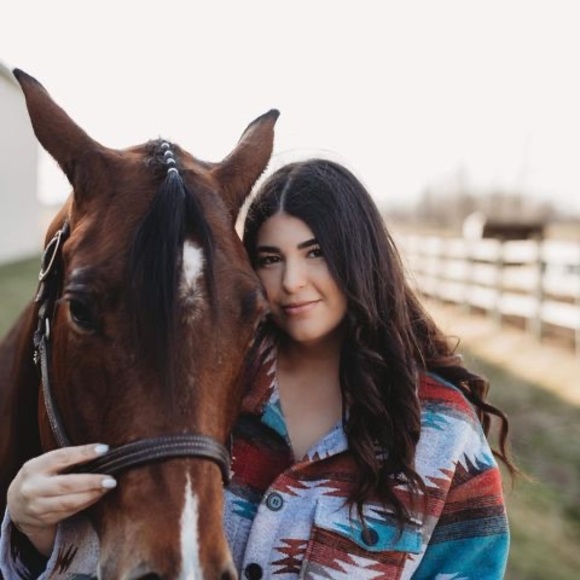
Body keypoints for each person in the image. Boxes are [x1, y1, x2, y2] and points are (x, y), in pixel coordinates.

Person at [1, 158, 515, 579]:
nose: (292, 281)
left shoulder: (444, 437)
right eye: (270, 258)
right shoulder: (198, 392)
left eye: (315, 253)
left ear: (361, 258)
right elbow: (120, 554)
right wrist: (36, 537)